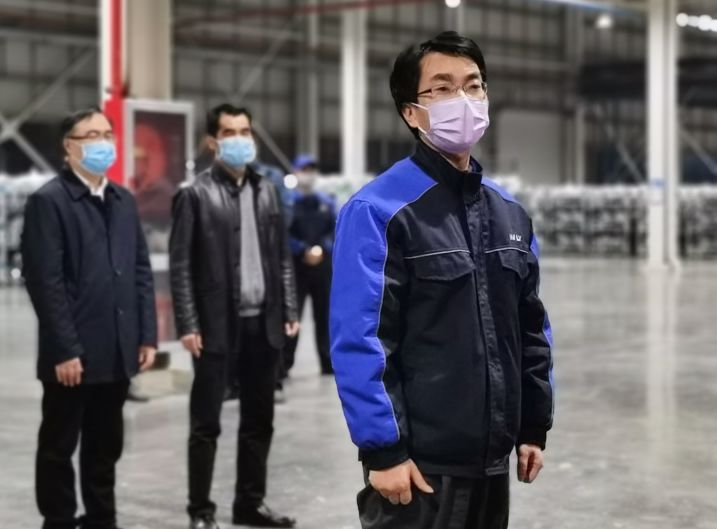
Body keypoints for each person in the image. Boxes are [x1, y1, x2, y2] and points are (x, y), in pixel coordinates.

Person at [330, 32, 554, 529]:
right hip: (419, 467)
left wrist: (533, 425)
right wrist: (384, 450)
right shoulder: (379, 211)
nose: (464, 100)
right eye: (443, 88)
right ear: (411, 112)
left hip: (492, 460)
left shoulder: (509, 213)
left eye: (474, 85)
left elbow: (531, 328)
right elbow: (362, 339)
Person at [21, 107, 157, 529]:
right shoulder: (49, 201)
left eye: (107, 134)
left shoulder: (123, 200)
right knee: (59, 446)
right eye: (91, 136)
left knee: (105, 445)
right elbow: (45, 282)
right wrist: (65, 349)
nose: (103, 143)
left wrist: (146, 335)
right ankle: (59, 520)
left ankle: (102, 518)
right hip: (72, 355)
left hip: (116, 348)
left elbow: (139, 271)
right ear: (69, 147)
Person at [169, 103, 299, 529]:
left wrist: (289, 306)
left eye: (245, 131)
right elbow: (181, 266)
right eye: (230, 132)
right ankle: (200, 510)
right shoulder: (195, 194)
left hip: (264, 323)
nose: (240, 139)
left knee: (259, 420)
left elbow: (282, 256)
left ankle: (249, 504)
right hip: (216, 326)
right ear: (213, 141)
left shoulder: (266, 191)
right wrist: (188, 323)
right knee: (206, 423)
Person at [281, 154, 336, 379]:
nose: (309, 175)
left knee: (324, 315)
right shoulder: (288, 203)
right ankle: (285, 363)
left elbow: (335, 229)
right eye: (304, 170)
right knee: (292, 314)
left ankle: (327, 362)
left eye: (312, 170)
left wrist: (322, 248)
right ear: (295, 172)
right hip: (297, 267)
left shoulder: (325, 202)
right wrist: (302, 249)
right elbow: (283, 233)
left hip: (322, 265)